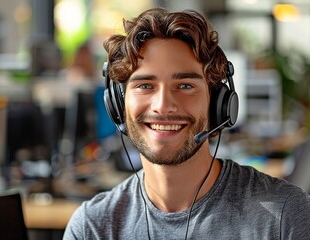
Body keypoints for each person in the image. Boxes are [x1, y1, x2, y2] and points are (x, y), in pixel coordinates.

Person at [63, 8, 310, 239]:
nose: (163, 105)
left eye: (185, 86)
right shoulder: (92, 228)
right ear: (118, 104)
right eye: (145, 86)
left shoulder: (283, 217)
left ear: (218, 104)